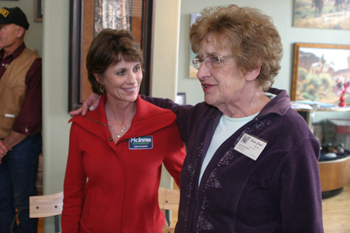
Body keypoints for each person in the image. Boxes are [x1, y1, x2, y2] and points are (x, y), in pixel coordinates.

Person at [73, 5, 324, 233]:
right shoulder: (205, 116)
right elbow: (163, 108)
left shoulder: (291, 139)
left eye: (214, 59)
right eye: (200, 60)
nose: (201, 72)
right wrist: (108, 97)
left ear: (252, 67)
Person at [61, 29, 186, 233]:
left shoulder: (163, 124)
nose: (133, 79)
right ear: (99, 78)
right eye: (121, 72)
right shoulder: (82, 126)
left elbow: (189, 184)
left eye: (136, 68)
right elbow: (73, 193)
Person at [0, 7, 42, 233]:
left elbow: (30, 118)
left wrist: (4, 146)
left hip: (22, 145)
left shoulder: (34, 64)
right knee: (1, 201)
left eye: (2, 27)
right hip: (1, 145)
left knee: (24, 203)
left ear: (19, 31)